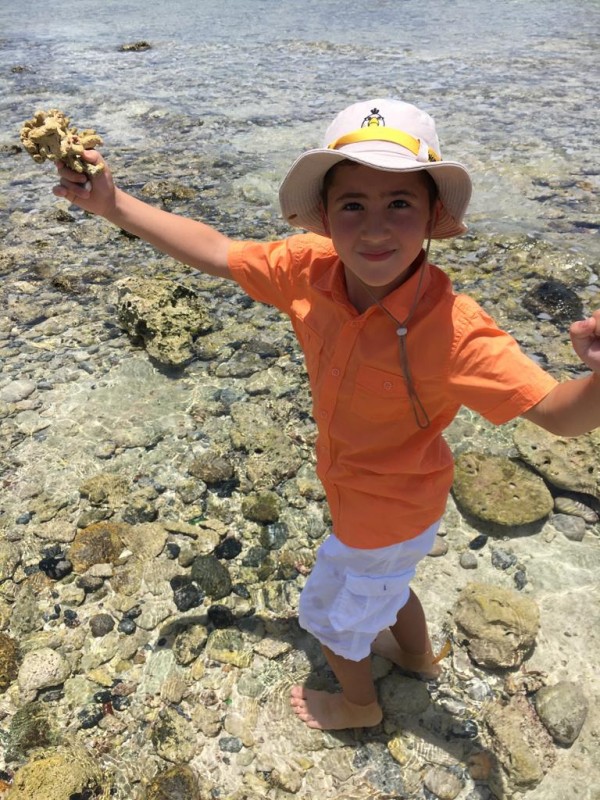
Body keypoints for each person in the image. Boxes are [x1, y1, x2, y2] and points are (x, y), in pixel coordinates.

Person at [52, 98, 600, 731]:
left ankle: (358, 706)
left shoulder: (455, 332)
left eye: (400, 203)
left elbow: (560, 415)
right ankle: (417, 658)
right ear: (325, 216)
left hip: (385, 515)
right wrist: (114, 206)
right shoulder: (307, 271)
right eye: (353, 205)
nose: (374, 229)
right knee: (390, 587)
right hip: (383, 503)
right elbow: (218, 250)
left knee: (330, 618)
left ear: (432, 216)